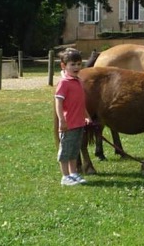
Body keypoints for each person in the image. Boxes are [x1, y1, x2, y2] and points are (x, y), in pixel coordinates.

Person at [54, 48, 91, 186]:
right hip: (68, 124)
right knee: (66, 151)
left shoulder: (78, 81)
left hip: (79, 123)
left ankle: (73, 173)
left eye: (79, 64)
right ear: (63, 66)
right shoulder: (64, 83)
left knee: (74, 150)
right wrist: (62, 120)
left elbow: (81, 103)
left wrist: (87, 116)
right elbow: (58, 102)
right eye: (72, 64)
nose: (76, 67)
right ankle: (65, 176)